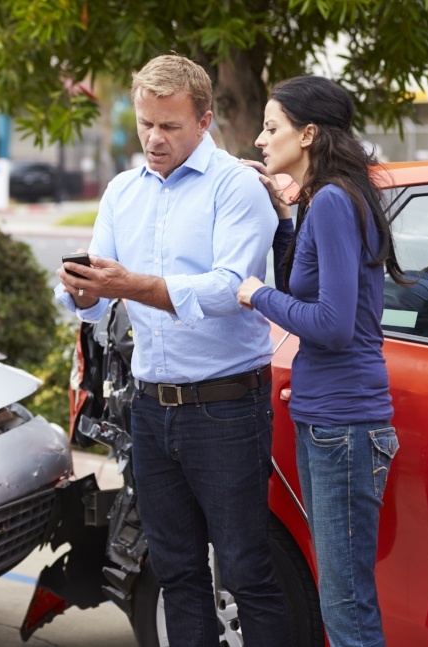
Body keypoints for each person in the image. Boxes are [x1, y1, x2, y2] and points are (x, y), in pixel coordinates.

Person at [55, 54, 290, 646]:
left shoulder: (238, 188)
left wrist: (128, 284)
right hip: (151, 407)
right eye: (145, 125)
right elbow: (94, 299)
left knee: (245, 570)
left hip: (226, 408)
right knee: (175, 567)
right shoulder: (121, 192)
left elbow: (228, 289)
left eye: (170, 126)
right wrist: (80, 291)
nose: (154, 139)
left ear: (205, 121)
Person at [236, 75, 402, 647]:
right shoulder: (325, 198)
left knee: (345, 604)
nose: (261, 139)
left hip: (343, 424)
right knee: (342, 593)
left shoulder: (333, 200)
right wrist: (283, 218)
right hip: (329, 420)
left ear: (308, 134)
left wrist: (254, 294)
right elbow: (307, 291)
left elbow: (329, 324)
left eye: (272, 127)